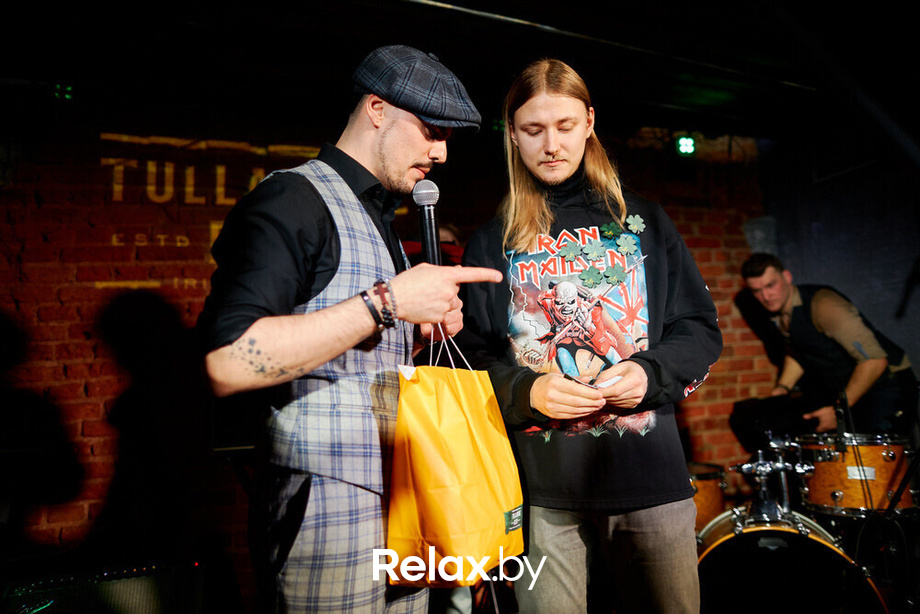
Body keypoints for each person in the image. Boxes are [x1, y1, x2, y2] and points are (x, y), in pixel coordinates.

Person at [196, 45, 502, 613]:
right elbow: (227, 361)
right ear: (377, 109)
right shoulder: (292, 200)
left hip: (403, 502)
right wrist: (389, 302)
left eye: (447, 139)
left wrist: (415, 330)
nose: (440, 153)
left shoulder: (377, 211)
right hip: (326, 506)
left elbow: (349, 343)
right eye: (431, 131)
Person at [457, 59, 722, 613]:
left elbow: (698, 329)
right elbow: (468, 358)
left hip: (653, 482)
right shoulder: (492, 242)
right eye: (533, 129)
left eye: (566, 126)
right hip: (542, 495)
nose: (551, 144)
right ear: (511, 134)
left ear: (590, 123)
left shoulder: (644, 222)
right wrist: (524, 391)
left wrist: (649, 373)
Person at [730, 253, 918, 452]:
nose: (766, 297)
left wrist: (838, 413)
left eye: (770, 286)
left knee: (871, 463)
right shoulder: (778, 314)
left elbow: (875, 361)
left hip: (888, 384)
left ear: (787, 277)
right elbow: (798, 352)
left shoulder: (823, 305)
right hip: (849, 389)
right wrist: (782, 389)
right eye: (756, 291)